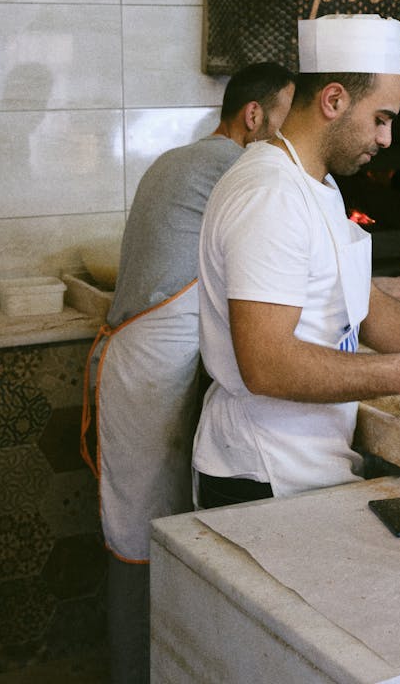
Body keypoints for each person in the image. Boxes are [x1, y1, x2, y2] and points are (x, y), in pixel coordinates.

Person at [192, 14, 400, 509]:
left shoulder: (319, 184)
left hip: (312, 462)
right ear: (333, 100)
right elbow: (265, 364)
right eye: (381, 118)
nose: (387, 140)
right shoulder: (269, 194)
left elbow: (362, 303)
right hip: (265, 473)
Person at [80, 61, 295, 684]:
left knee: (153, 529)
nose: (288, 139)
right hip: (148, 372)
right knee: (143, 534)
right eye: (286, 119)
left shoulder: (179, 159)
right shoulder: (240, 169)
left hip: (141, 364)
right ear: (253, 116)